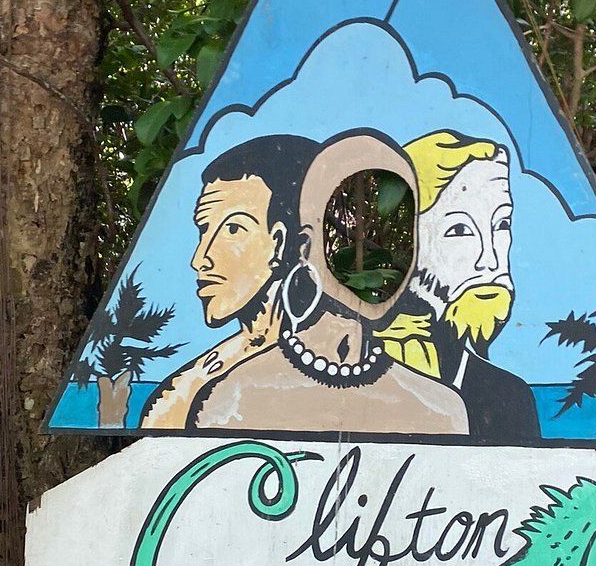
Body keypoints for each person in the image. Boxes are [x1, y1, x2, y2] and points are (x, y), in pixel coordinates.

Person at [189, 132, 469, 437]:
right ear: (303, 246)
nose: (372, 255)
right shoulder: (230, 402)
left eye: (396, 233)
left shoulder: (444, 410)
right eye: (348, 237)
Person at [141, 134, 319, 430]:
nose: (200, 259)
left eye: (233, 229)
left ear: (281, 243)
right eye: (203, 231)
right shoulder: (188, 386)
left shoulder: (345, 363)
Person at [377, 130, 540, 443]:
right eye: (460, 229)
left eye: (501, 224)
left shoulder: (509, 396)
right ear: (413, 241)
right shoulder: (360, 368)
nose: (489, 261)